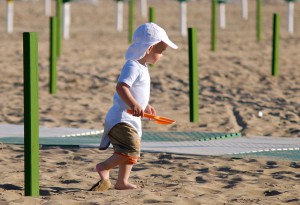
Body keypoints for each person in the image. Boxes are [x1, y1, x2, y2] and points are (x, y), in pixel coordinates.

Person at [89, 22, 178, 192]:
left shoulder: (142, 67)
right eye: (161, 51)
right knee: (130, 149)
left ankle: (122, 182)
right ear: (150, 48)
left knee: (132, 152)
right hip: (121, 118)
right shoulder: (132, 66)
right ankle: (104, 167)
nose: (162, 55)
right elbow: (122, 86)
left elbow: (137, 91)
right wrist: (133, 104)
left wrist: (144, 105)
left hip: (132, 118)